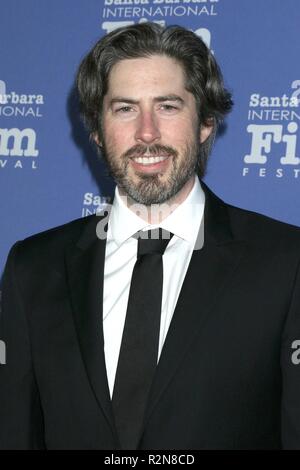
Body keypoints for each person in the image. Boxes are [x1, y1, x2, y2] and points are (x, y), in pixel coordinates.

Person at [0, 22, 300, 450]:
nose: (146, 133)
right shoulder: (32, 269)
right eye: (124, 108)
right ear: (97, 131)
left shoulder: (287, 264)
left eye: (168, 106)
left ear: (206, 123)